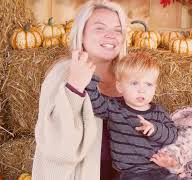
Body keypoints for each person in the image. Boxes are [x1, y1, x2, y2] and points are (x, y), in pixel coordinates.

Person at [32, 1, 127, 179]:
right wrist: (74, 87)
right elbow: (56, 146)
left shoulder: (130, 77)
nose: (111, 36)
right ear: (81, 34)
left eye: (117, 30)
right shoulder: (62, 74)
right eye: (100, 28)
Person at [72, 52, 178, 180]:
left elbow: (172, 135)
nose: (142, 89)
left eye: (148, 84)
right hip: (129, 173)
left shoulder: (158, 113)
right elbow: (96, 104)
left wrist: (155, 129)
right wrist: (90, 81)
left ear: (155, 88)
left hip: (157, 169)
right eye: (134, 83)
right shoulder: (114, 108)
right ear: (120, 87)